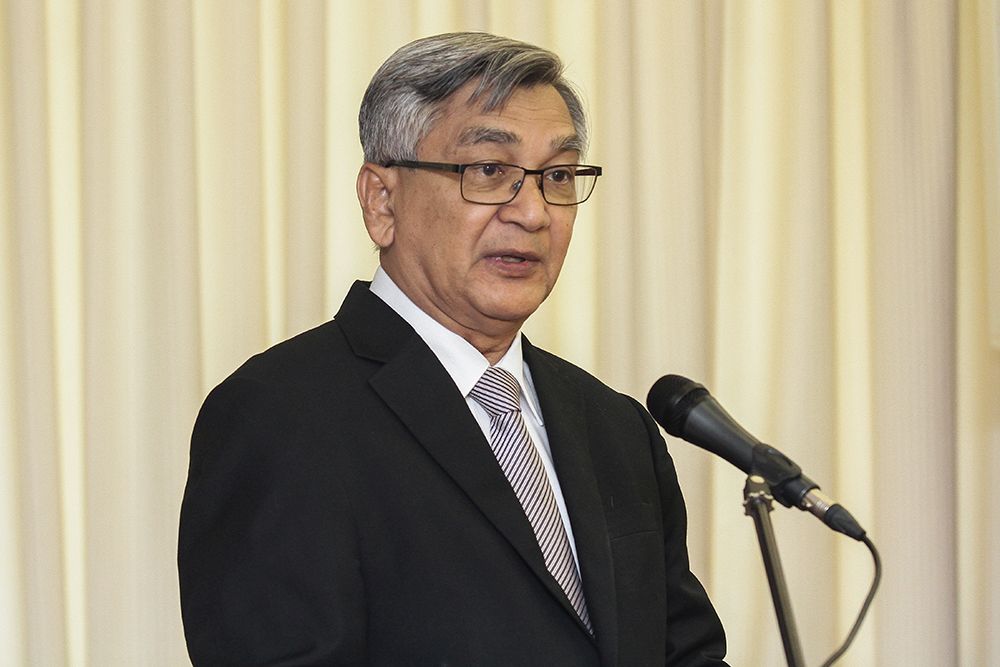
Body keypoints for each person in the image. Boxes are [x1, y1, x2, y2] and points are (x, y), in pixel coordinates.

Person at [178, 31, 728, 666]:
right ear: (381, 201)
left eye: (557, 175)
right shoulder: (280, 415)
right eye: (489, 171)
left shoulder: (615, 426)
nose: (533, 212)